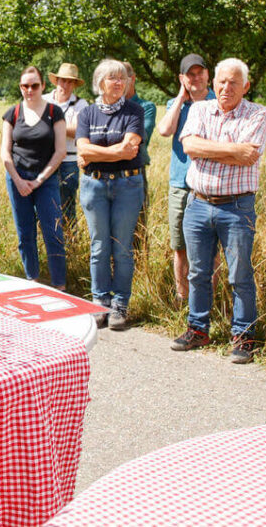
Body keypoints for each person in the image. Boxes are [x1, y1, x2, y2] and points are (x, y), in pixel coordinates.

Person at [171, 58, 266, 364]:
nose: (227, 88)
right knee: (199, 271)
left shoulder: (258, 113)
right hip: (198, 203)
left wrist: (207, 147)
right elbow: (189, 147)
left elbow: (249, 155)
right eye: (222, 82)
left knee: (239, 274)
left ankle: (243, 335)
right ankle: (198, 328)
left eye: (234, 82)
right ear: (214, 84)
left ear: (246, 86)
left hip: (237, 207)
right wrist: (232, 149)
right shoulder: (199, 109)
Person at [76, 60, 145, 330]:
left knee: (122, 247)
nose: (119, 82)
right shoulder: (87, 114)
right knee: (99, 247)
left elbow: (131, 149)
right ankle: (100, 303)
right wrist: (115, 152)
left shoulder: (134, 111)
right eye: (112, 78)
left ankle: (120, 305)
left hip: (127, 186)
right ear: (100, 82)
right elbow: (82, 150)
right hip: (94, 186)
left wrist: (95, 153)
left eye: (122, 78)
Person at [155, 54, 215, 303]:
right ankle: (182, 296)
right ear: (182, 78)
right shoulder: (175, 103)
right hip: (181, 185)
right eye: (190, 74)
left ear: (208, 74)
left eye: (200, 72)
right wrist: (181, 97)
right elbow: (164, 130)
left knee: (210, 248)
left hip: (210, 184)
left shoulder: (218, 101)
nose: (196, 77)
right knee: (179, 246)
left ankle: (210, 297)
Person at [1, 65, 68, 288]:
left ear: (43, 86)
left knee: (53, 233)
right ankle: (33, 283)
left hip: (46, 180)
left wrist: (39, 180)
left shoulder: (54, 112)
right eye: (25, 86)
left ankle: (60, 286)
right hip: (17, 179)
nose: (30, 90)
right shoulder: (13, 113)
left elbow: (60, 151)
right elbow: (5, 152)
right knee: (25, 234)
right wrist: (19, 181)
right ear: (20, 87)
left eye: (34, 85)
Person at [46, 63, 89, 230]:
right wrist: (65, 127)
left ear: (74, 84)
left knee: (67, 207)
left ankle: (71, 248)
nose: (66, 85)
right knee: (42, 206)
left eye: (70, 82)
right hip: (44, 160)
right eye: (63, 80)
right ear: (56, 81)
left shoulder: (81, 104)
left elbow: (79, 130)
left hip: (69, 161)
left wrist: (50, 124)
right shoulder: (43, 99)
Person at [124, 62, 156, 249]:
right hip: (108, 172)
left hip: (135, 172)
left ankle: (138, 274)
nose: (118, 82)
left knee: (138, 227)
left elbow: (140, 136)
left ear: (133, 78)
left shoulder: (146, 107)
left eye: (123, 77)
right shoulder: (105, 106)